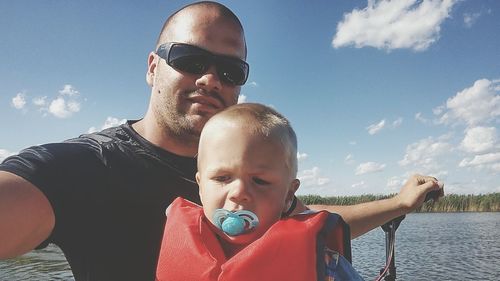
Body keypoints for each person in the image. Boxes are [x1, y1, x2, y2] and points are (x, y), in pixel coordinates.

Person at [0, 1, 443, 280]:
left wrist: (400, 203)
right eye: (190, 59)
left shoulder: (253, 162)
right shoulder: (84, 168)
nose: (211, 78)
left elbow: (308, 222)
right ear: (153, 67)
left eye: (230, 71)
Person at [156, 103, 364, 281]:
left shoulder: (325, 265)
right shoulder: (176, 247)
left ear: (288, 195)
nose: (238, 192)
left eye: (260, 181)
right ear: (200, 186)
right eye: (222, 178)